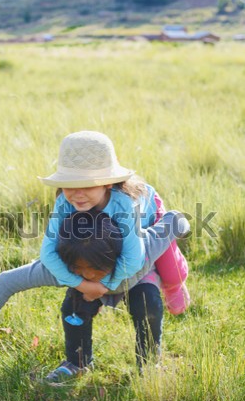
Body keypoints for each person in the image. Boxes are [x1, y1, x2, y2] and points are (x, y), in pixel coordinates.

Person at [39, 130, 189, 313]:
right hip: (105, 232)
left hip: (148, 217)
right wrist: (83, 285)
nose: (77, 193)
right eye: (70, 185)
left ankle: (174, 287)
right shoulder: (65, 201)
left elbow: (134, 259)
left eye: (87, 185)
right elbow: (47, 253)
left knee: (170, 269)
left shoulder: (124, 203)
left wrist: (105, 285)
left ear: (107, 183)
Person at [45, 209, 189, 385]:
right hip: (92, 265)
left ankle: (149, 363)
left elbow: (174, 221)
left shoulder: (139, 234)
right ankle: (77, 362)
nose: (88, 274)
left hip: (137, 273)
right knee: (73, 307)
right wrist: (83, 282)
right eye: (78, 268)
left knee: (147, 304)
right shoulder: (84, 211)